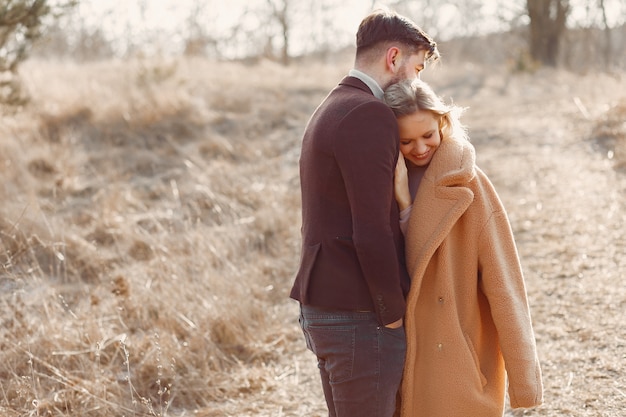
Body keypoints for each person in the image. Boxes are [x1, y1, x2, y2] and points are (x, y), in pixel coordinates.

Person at [289, 8, 439, 417]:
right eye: (417, 68)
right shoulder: (369, 114)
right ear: (393, 58)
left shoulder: (333, 105)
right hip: (359, 315)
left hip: (325, 305)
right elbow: (370, 229)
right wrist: (392, 315)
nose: (417, 81)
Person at [383, 78, 544, 417]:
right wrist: (400, 196)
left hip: (455, 353)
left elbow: (505, 285)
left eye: (427, 135)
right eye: (406, 141)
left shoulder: (470, 183)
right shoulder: (379, 182)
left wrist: (523, 377)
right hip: (399, 350)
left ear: (443, 122)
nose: (420, 148)